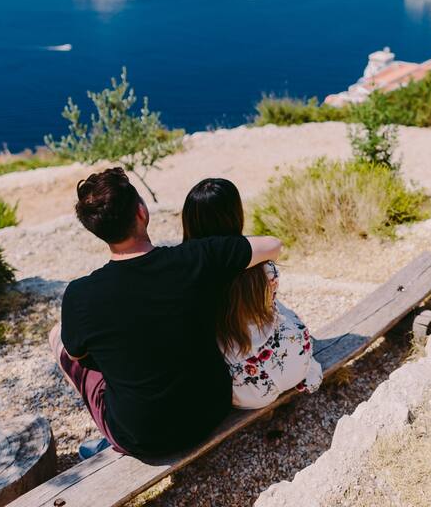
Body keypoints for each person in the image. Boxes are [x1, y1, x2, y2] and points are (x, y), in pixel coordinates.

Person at [49, 167, 281, 459]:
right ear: (141, 212)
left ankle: (109, 435)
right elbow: (273, 245)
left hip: (143, 437)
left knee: (58, 336)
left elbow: (76, 355)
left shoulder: (80, 295)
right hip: (212, 408)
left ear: (96, 230)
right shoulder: (196, 258)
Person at [182, 178, 322, 409]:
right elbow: (274, 245)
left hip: (249, 389)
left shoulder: (189, 276)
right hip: (296, 360)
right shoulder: (261, 264)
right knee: (276, 307)